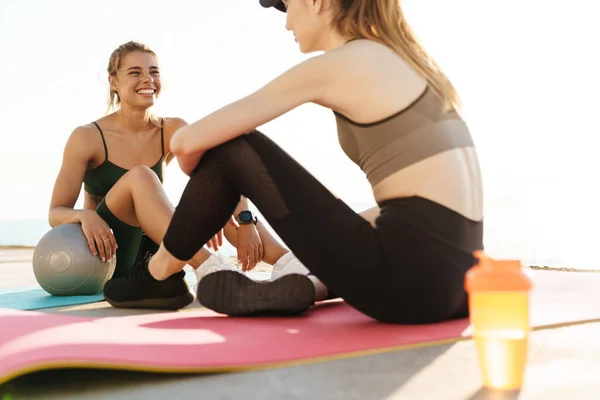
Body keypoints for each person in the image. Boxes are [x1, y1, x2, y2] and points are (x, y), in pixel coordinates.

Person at [103, 0, 484, 324]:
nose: (286, 21)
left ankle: (158, 274)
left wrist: (211, 182)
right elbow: (423, 213)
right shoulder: (408, 63)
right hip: (459, 284)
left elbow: (187, 142)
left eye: (286, 5)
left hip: (404, 281)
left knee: (231, 146)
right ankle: (308, 282)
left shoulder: (344, 63)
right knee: (229, 154)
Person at [48, 40, 309, 310]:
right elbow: (55, 212)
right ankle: (210, 268)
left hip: (158, 249)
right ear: (113, 81)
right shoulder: (87, 137)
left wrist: (245, 221)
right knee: (141, 176)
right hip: (110, 252)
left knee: (213, 192)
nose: (147, 79)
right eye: (135, 72)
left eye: (154, 71)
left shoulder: (171, 129)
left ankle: (288, 264)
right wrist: (84, 215)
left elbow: (224, 168)